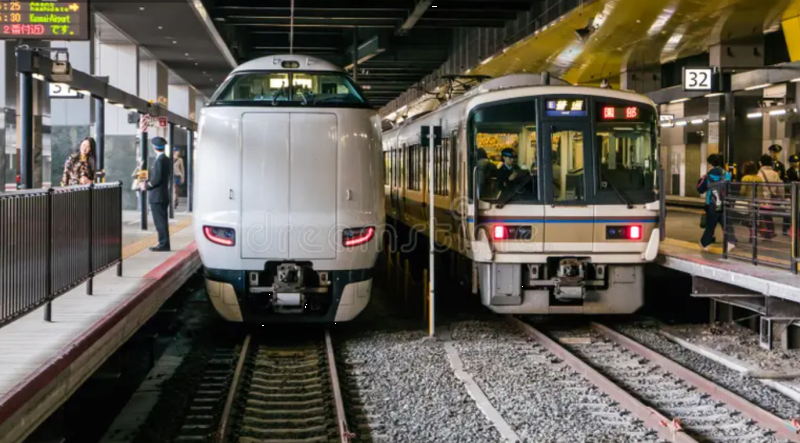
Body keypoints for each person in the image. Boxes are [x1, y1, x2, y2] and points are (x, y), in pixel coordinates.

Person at [140, 136, 173, 252]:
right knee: (162, 221)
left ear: (154, 147)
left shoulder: (159, 160)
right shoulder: (167, 159)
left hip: (157, 196)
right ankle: (164, 243)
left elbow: (156, 179)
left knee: (160, 222)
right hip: (163, 195)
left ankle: (163, 244)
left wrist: (146, 185)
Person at [697, 153, 735, 251]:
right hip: (724, 202)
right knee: (725, 222)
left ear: (710, 164)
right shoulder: (726, 174)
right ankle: (730, 241)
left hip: (712, 204)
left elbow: (700, 189)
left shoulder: (708, 176)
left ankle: (704, 243)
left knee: (711, 224)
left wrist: (701, 179)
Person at [757, 153, 783, 239]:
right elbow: (780, 187)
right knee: (767, 215)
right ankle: (769, 233)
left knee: (765, 215)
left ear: (761, 163)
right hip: (772, 198)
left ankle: (769, 232)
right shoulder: (775, 173)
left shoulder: (759, 174)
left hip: (763, 199)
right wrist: (781, 197)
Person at [739, 161, 764, 240]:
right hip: (758, 202)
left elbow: (743, 192)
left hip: (749, 202)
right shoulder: (759, 178)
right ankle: (754, 235)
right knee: (755, 219)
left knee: (748, 219)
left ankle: (752, 235)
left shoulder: (745, 178)